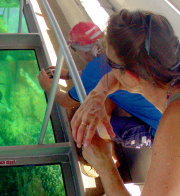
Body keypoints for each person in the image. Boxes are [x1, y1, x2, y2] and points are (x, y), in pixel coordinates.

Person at [71, 9, 180, 195]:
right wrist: (97, 95)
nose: (107, 68)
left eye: (110, 63)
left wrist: (104, 163)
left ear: (132, 77)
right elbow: (119, 77)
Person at [37, 21, 161, 149]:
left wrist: (47, 86)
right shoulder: (116, 52)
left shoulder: (95, 68)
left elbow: (66, 102)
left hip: (157, 132)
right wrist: (70, 74)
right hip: (160, 111)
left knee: (83, 128)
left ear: (84, 52)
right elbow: (98, 77)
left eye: (74, 49)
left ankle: (108, 157)